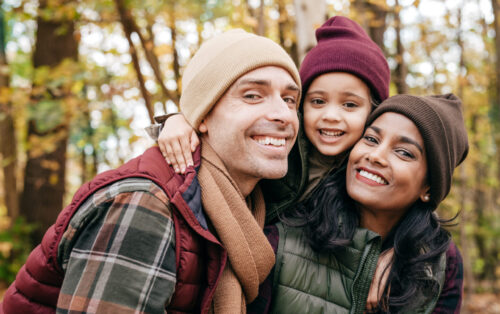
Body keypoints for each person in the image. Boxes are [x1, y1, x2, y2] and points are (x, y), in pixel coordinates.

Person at [1, 29, 302, 314]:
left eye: (289, 99)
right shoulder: (143, 204)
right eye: (252, 95)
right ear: (202, 115)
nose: (283, 115)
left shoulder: (251, 204)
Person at [153, 16, 391, 223]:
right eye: (317, 101)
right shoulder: (280, 149)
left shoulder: (371, 172)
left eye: (349, 105)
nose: (330, 116)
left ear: (373, 112)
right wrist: (180, 121)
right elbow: (222, 139)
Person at [271, 94, 467, 313]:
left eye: (403, 153)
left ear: (428, 189)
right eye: (371, 139)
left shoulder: (441, 263)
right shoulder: (282, 238)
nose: (376, 156)